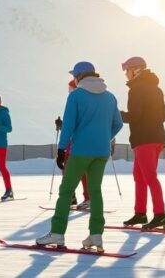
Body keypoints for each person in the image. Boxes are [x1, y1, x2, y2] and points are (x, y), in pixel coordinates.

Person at [36, 61, 124, 252]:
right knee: (95, 192)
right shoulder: (110, 97)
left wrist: (60, 150)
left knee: (66, 190)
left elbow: (68, 125)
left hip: (81, 150)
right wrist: (104, 137)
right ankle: (96, 234)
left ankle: (57, 232)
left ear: (79, 76)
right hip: (101, 152)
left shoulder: (76, 96)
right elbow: (118, 124)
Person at [119, 56, 165, 230]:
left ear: (136, 70)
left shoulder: (136, 89)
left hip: (145, 139)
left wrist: (119, 115)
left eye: (127, 70)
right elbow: (163, 116)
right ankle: (140, 213)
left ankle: (160, 215)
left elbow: (135, 116)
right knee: (140, 176)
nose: (126, 74)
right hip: (156, 138)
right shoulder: (156, 89)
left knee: (148, 176)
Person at [55, 79, 90, 210]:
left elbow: (76, 124)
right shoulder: (74, 101)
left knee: (79, 172)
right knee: (68, 171)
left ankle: (87, 198)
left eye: (70, 89)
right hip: (71, 144)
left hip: (77, 144)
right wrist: (61, 124)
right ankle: (72, 197)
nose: (68, 91)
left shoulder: (78, 101)